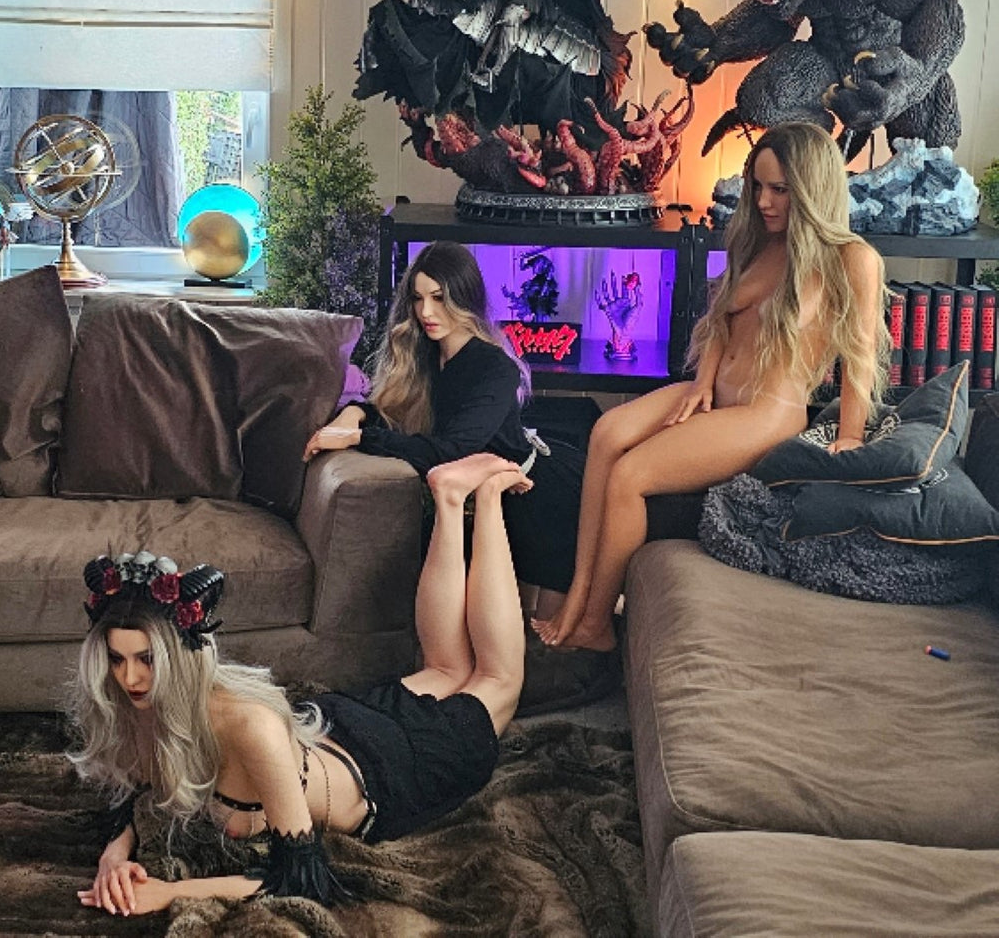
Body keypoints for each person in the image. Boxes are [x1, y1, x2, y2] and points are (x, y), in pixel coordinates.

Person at [69, 453, 530, 915]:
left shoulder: (251, 725)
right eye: (116, 659)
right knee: (447, 669)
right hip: (343, 726)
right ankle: (449, 498)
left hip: (395, 773)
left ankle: (491, 498)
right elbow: (133, 789)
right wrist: (114, 857)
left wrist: (170, 892)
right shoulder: (136, 701)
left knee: (498, 680)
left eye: (148, 660)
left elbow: (302, 880)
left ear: (182, 657)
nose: (130, 677)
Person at [535, 121, 887, 652]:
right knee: (606, 433)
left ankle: (595, 623)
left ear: (812, 189)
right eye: (758, 186)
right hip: (715, 394)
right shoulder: (759, 243)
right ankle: (578, 594)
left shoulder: (852, 259)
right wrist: (701, 381)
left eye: (779, 190)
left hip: (766, 413)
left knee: (630, 475)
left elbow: (859, 358)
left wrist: (852, 435)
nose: (764, 202)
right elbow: (721, 321)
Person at [302, 240, 598, 711]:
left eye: (439, 298)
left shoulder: (494, 367)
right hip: (482, 501)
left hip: (541, 499)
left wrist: (359, 437)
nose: (426, 312)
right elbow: (397, 415)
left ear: (466, 297)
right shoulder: (424, 355)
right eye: (418, 298)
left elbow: (451, 451)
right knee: (489, 647)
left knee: (554, 657)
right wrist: (356, 414)